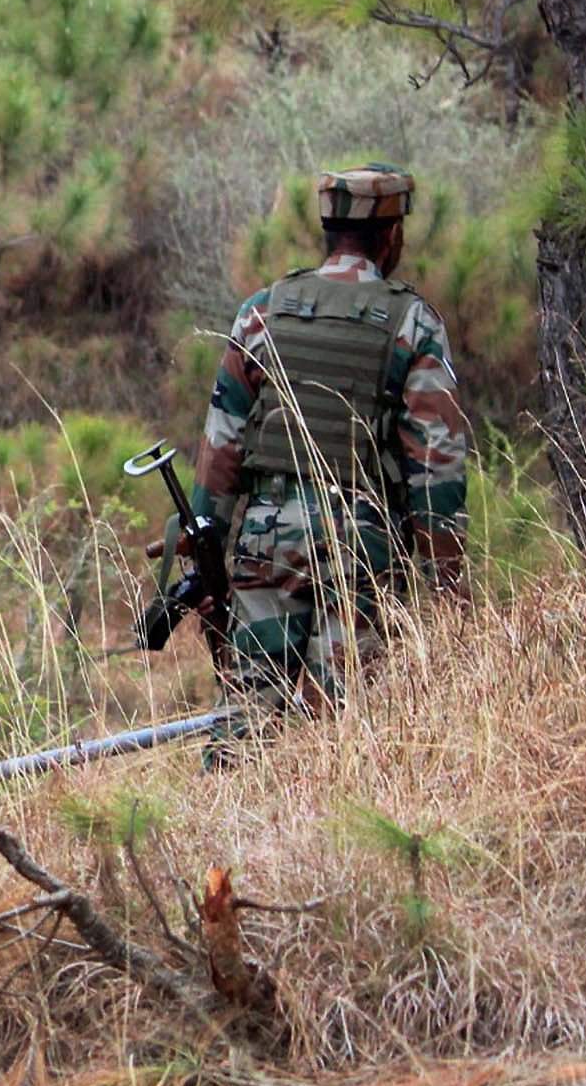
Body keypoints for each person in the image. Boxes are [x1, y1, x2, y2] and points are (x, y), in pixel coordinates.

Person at [182, 165, 469, 720]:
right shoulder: (413, 323)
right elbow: (436, 469)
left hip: (266, 539)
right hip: (359, 547)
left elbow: (221, 444)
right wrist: (447, 587)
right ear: (391, 236)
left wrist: (205, 553)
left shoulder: (262, 311)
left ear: (328, 230)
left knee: (247, 719)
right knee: (344, 726)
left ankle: (228, 800)